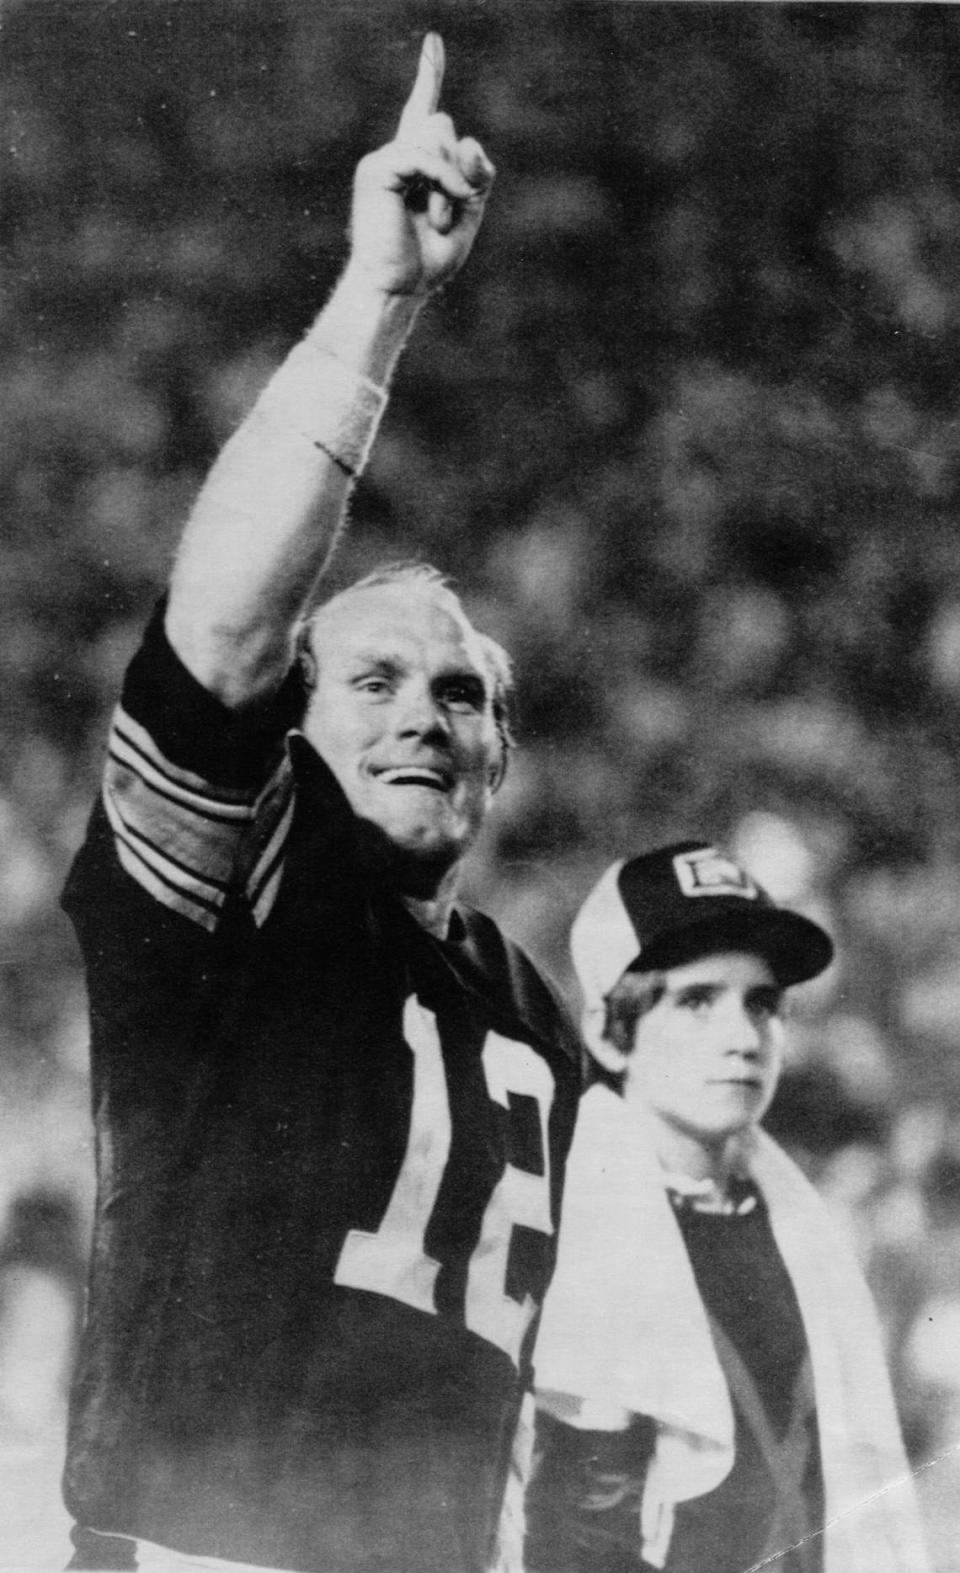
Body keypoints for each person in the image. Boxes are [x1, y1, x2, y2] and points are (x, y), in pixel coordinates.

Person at [61, 34, 580, 1573]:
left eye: (463, 693)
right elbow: (221, 628)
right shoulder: (253, 871)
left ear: (500, 759)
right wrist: (383, 296)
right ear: (291, 722)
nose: (425, 711)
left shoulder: (527, 1007)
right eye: (373, 681)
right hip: (201, 1542)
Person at [525, 841, 930, 1573]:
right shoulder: (584, 1222)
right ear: (610, 1032)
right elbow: (575, 1531)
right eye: (698, 1000)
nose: (743, 1036)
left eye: (763, 1003)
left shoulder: (802, 1226)